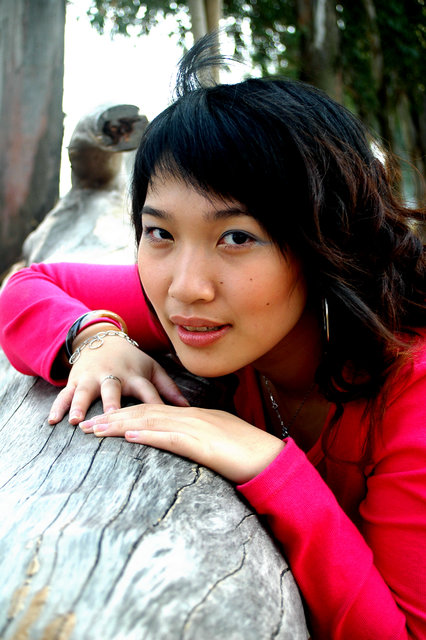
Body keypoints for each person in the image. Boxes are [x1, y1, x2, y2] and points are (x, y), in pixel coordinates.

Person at [0, 36, 425, 639]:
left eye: (236, 238)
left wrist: (272, 468)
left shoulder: (411, 391)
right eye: (160, 233)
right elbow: (27, 287)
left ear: (325, 240)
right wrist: (92, 337)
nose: (185, 288)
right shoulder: (206, 310)